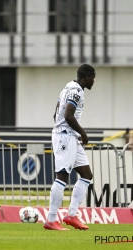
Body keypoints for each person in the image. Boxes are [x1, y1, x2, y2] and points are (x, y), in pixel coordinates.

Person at [44, 64, 96, 231]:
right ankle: (51, 219)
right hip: (66, 136)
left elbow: (56, 113)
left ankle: (71, 215)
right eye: (93, 77)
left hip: (68, 136)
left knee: (86, 174)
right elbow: (68, 115)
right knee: (62, 176)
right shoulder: (76, 91)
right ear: (87, 77)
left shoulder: (68, 86)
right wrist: (83, 133)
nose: (94, 81)